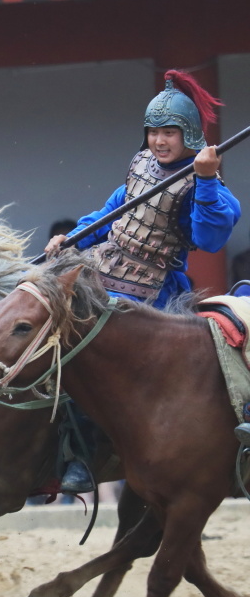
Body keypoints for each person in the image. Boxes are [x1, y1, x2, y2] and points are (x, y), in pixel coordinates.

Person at [45, 69, 242, 489]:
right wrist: (72, 238)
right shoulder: (142, 166)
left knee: (91, 352)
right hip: (100, 268)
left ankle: (87, 453)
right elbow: (112, 214)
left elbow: (210, 237)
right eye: (153, 131)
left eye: (169, 132)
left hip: (150, 291)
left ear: (189, 135)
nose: (159, 141)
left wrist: (206, 180)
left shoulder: (203, 183)